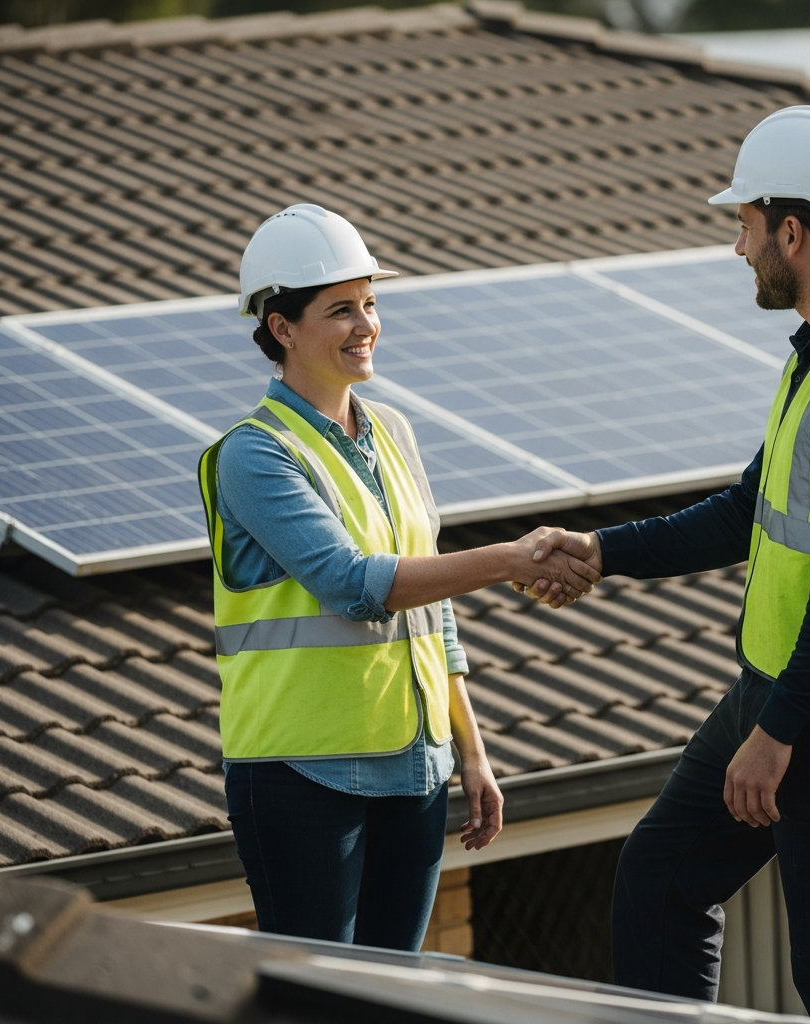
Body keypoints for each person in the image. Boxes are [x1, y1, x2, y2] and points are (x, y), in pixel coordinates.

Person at [525, 107, 810, 1024]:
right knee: (661, 879)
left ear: (791, 231)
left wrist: (779, 735)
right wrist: (604, 551)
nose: (737, 246)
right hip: (781, 699)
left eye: (745, 224)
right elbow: (745, 514)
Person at [197, 204, 599, 950]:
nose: (365, 325)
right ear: (281, 328)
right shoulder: (254, 456)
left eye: (371, 304)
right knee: (316, 1003)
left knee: (392, 993)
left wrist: (471, 750)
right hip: (301, 775)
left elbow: (431, 608)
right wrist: (511, 558)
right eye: (340, 309)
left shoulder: (394, 432)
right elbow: (354, 582)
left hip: (414, 765)